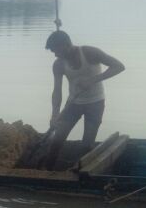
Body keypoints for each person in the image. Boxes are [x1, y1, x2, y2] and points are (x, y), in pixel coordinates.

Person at [43, 29, 125, 169]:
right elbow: (57, 91)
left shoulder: (90, 52)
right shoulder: (58, 64)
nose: (55, 55)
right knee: (56, 140)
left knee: (86, 144)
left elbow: (119, 66)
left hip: (95, 104)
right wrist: (55, 114)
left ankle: (79, 172)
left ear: (66, 45)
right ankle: (47, 171)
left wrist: (93, 80)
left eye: (56, 51)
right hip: (73, 104)